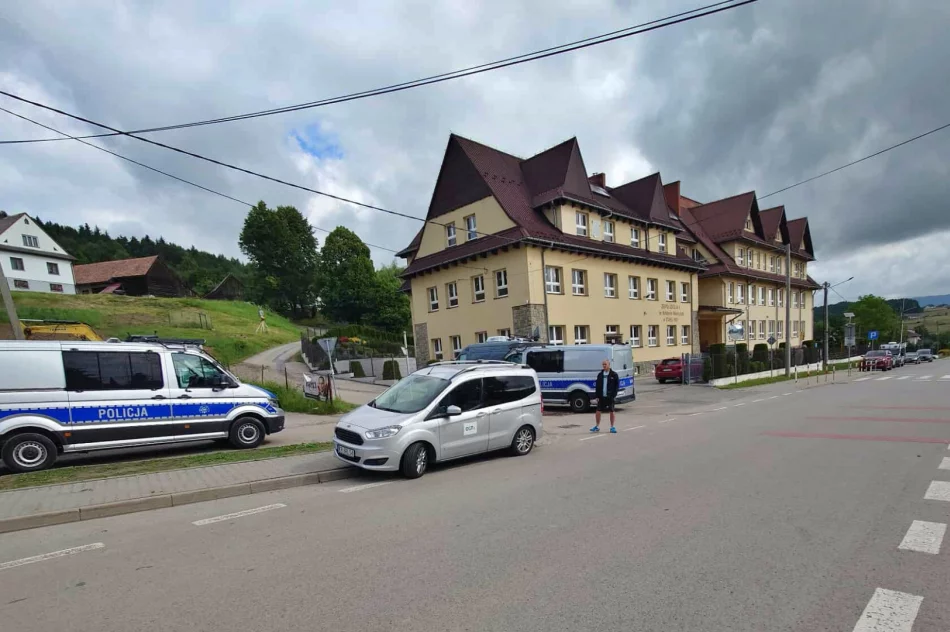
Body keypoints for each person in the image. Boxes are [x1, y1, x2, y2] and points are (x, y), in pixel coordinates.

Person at [590, 359, 620, 433]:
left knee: (612, 411)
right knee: (598, 411)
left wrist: (614, 395)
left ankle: (612, 427)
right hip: (601, 397)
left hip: (610, 396)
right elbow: (597, 386)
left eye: (605, 364)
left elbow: (617, 386)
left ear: (609, 365)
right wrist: (597, 396)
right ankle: (597, 426)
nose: (604, 366)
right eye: (603, 364)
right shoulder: (600, 374)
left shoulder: (614, 375)